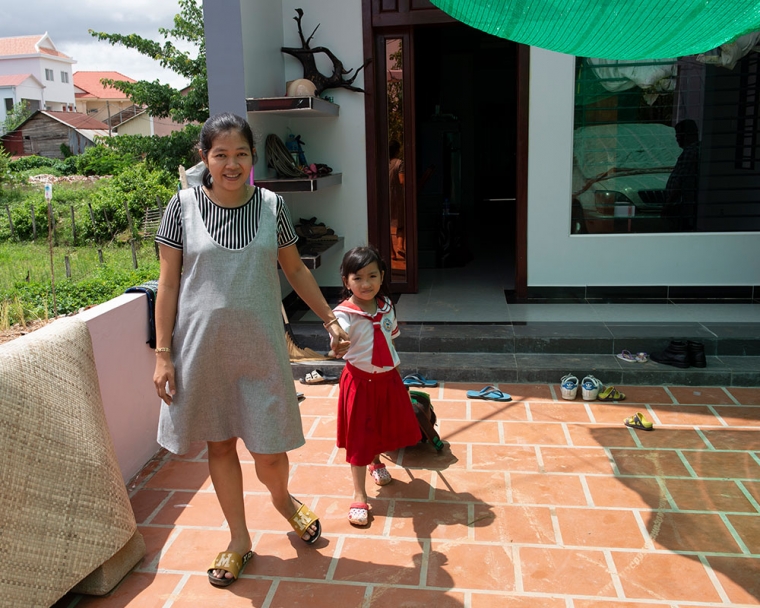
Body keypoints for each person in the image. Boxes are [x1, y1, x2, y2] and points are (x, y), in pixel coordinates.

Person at [152, 112, 350, 588]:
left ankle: (283, 500)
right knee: (219, 444)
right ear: (205, 157)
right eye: (220, 154)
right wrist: (163, 353)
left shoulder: (270, 206)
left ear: (252, 158)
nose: (231, 163)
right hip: (203, 351)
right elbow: (168, 283)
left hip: (261, 348)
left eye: (241, 153)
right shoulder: (180, 208)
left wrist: (329, 317)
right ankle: (239, 538)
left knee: (269, 450)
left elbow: (296, 270)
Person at [332, 246, 420, 526]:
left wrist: (394, 372)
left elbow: (390, 339)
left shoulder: (387, 307)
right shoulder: (343, 314)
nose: (366, 284)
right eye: (357, 278)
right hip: (359, 381)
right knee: (359, 435)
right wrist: (337, 341)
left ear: (383, 276)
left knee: (381, 425)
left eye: (372, 276)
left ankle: (376, 461)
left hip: (387, 380)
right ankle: (359, 495)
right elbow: (337, 340)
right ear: (346, 281)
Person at [664, 119, 700, 231]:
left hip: (681, 207)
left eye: (678, 135)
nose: (677, 139)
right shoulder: (692, 150)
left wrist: (668, 204)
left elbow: (681, 181)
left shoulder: (691, 152)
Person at [388, 140, 406, 261]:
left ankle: (392, 253)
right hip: (397, 196)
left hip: (384, 196)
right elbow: (402, 181)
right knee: (401, 223)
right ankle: (400, 246)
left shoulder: (382, 163)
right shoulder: (400, 163)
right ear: (397, 150)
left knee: (386, 226)